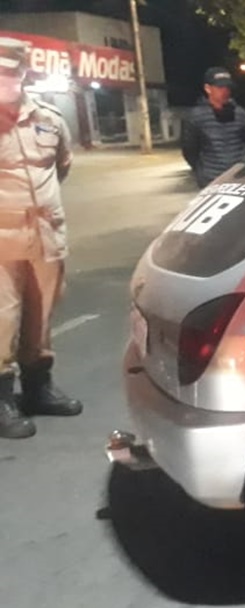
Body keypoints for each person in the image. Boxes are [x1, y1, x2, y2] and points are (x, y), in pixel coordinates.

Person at [0, 37, 83, 439]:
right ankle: (2, 400)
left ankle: (38, 390)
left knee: (42, 316)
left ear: (24, 74)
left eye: (10, 72)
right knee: (1, 319)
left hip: (46, 234)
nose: (4, 79)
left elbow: (61, 166)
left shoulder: (49, 119)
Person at [181, 66, 245, 189]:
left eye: (227, 87)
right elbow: (190, 150)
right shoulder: (195, 116)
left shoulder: (240, 114)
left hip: (238, 177)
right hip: (211, 179)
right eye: (220, 87)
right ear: (208, 89)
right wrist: (201, 172)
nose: (225, 91)